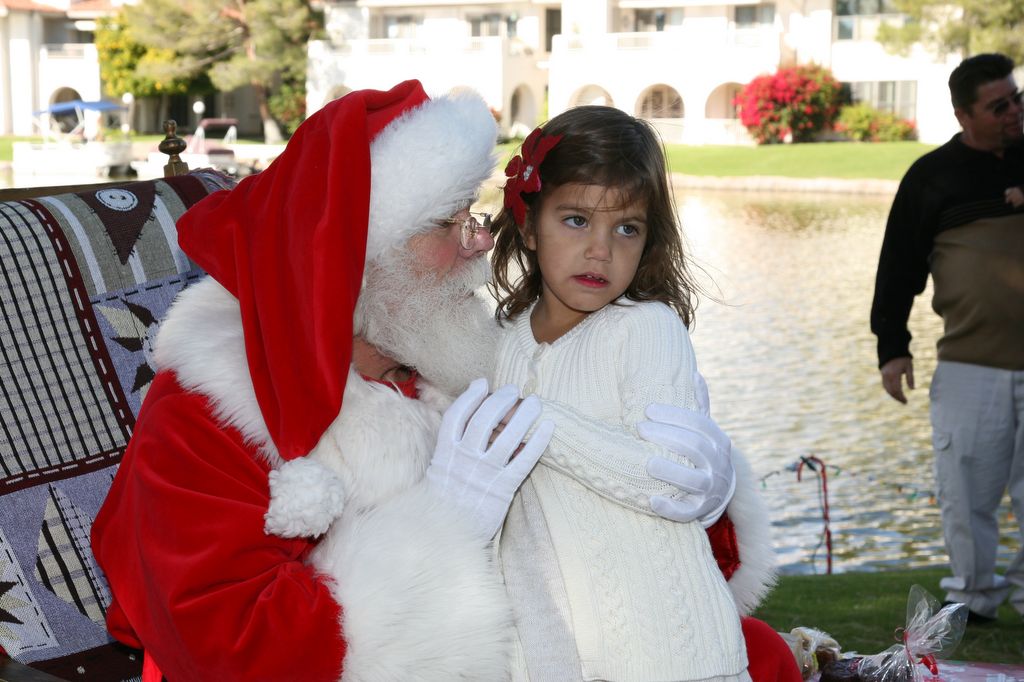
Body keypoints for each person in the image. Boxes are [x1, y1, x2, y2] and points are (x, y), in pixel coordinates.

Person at [90, 80, 748, 681]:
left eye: (473, 216)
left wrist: (708, 492)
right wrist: (442, 524)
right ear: (355, 254)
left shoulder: (462, 361)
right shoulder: (212, 409)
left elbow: (612, 535)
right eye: (447, 224)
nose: (480, 243)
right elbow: (228, 644)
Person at [490, 107, 797, 682]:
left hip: (671, 650)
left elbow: (669, 473)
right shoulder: (500, 343)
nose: (601, 249)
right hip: (550, 653)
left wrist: (531, 421)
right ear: (529, 226)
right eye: (576, 219)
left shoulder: (647, 328)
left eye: (626, 228)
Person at [871, 52, 1024, 623]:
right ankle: (974, 600)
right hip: (970, 368)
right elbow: (898, 266)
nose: (1014, 111)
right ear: (964, 115)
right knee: (966, 494)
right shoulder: (932, 177)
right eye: (999, 105)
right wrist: (892, 347)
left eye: (1017, 98)